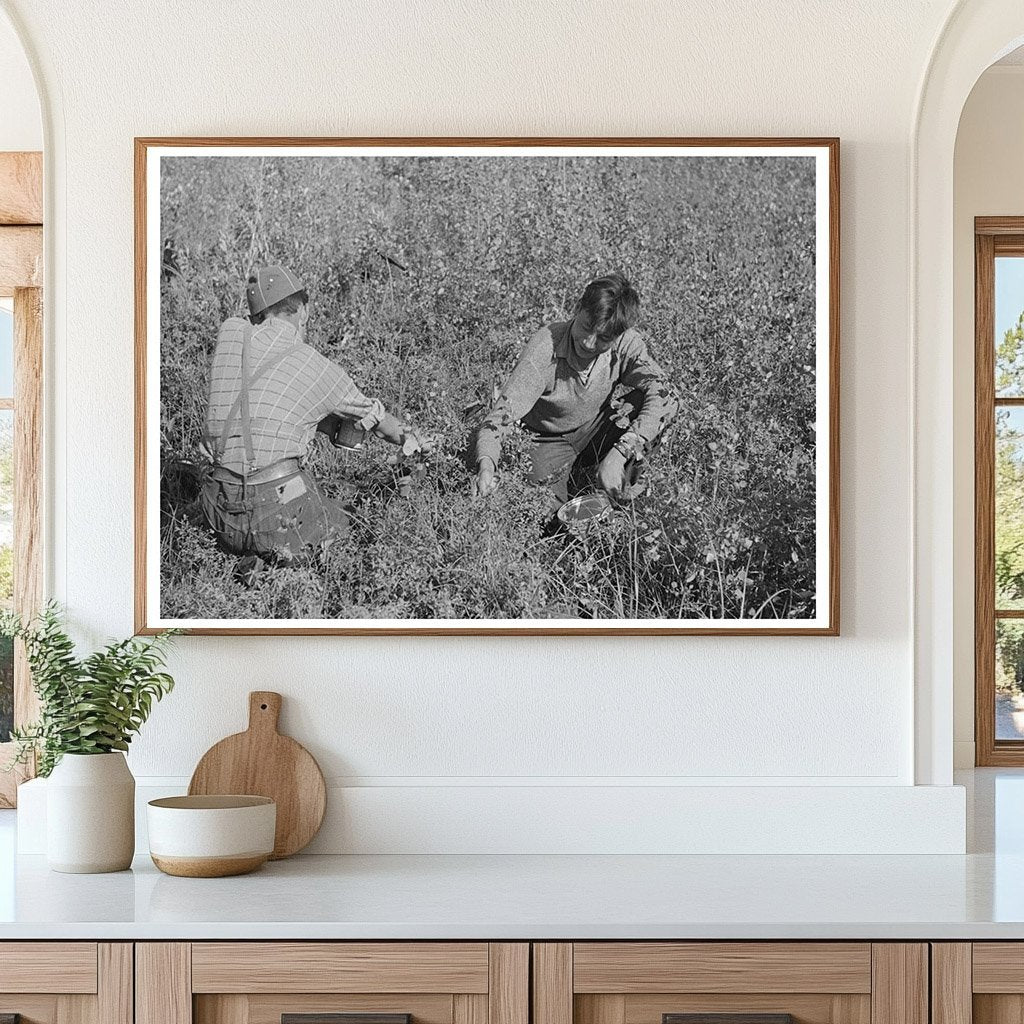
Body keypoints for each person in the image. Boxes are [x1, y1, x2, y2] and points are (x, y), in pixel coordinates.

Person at [201, 264, 420, 567]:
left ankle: (252, 560)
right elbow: (381, 425)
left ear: (255, 315)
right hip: (272, 509)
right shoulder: (314, 365)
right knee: (350, 523)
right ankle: (278, 566)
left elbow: (261, 404)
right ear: (303, 310)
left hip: (217, 510)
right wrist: (413, 439)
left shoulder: (230, 332)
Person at [472, 272, 678, 506]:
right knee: (546, 511)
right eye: (586, 327)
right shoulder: (544, 349)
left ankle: (619, 494)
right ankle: (575, 502)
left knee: (654, 400)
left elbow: (668, 394)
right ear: (578, 308)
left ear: (618, 335)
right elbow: (499, 419)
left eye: (603, 338)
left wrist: (621, 452)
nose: (589, 343)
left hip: (596, 427)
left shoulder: (625, 344)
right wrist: (486, 466)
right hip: (545, 441)